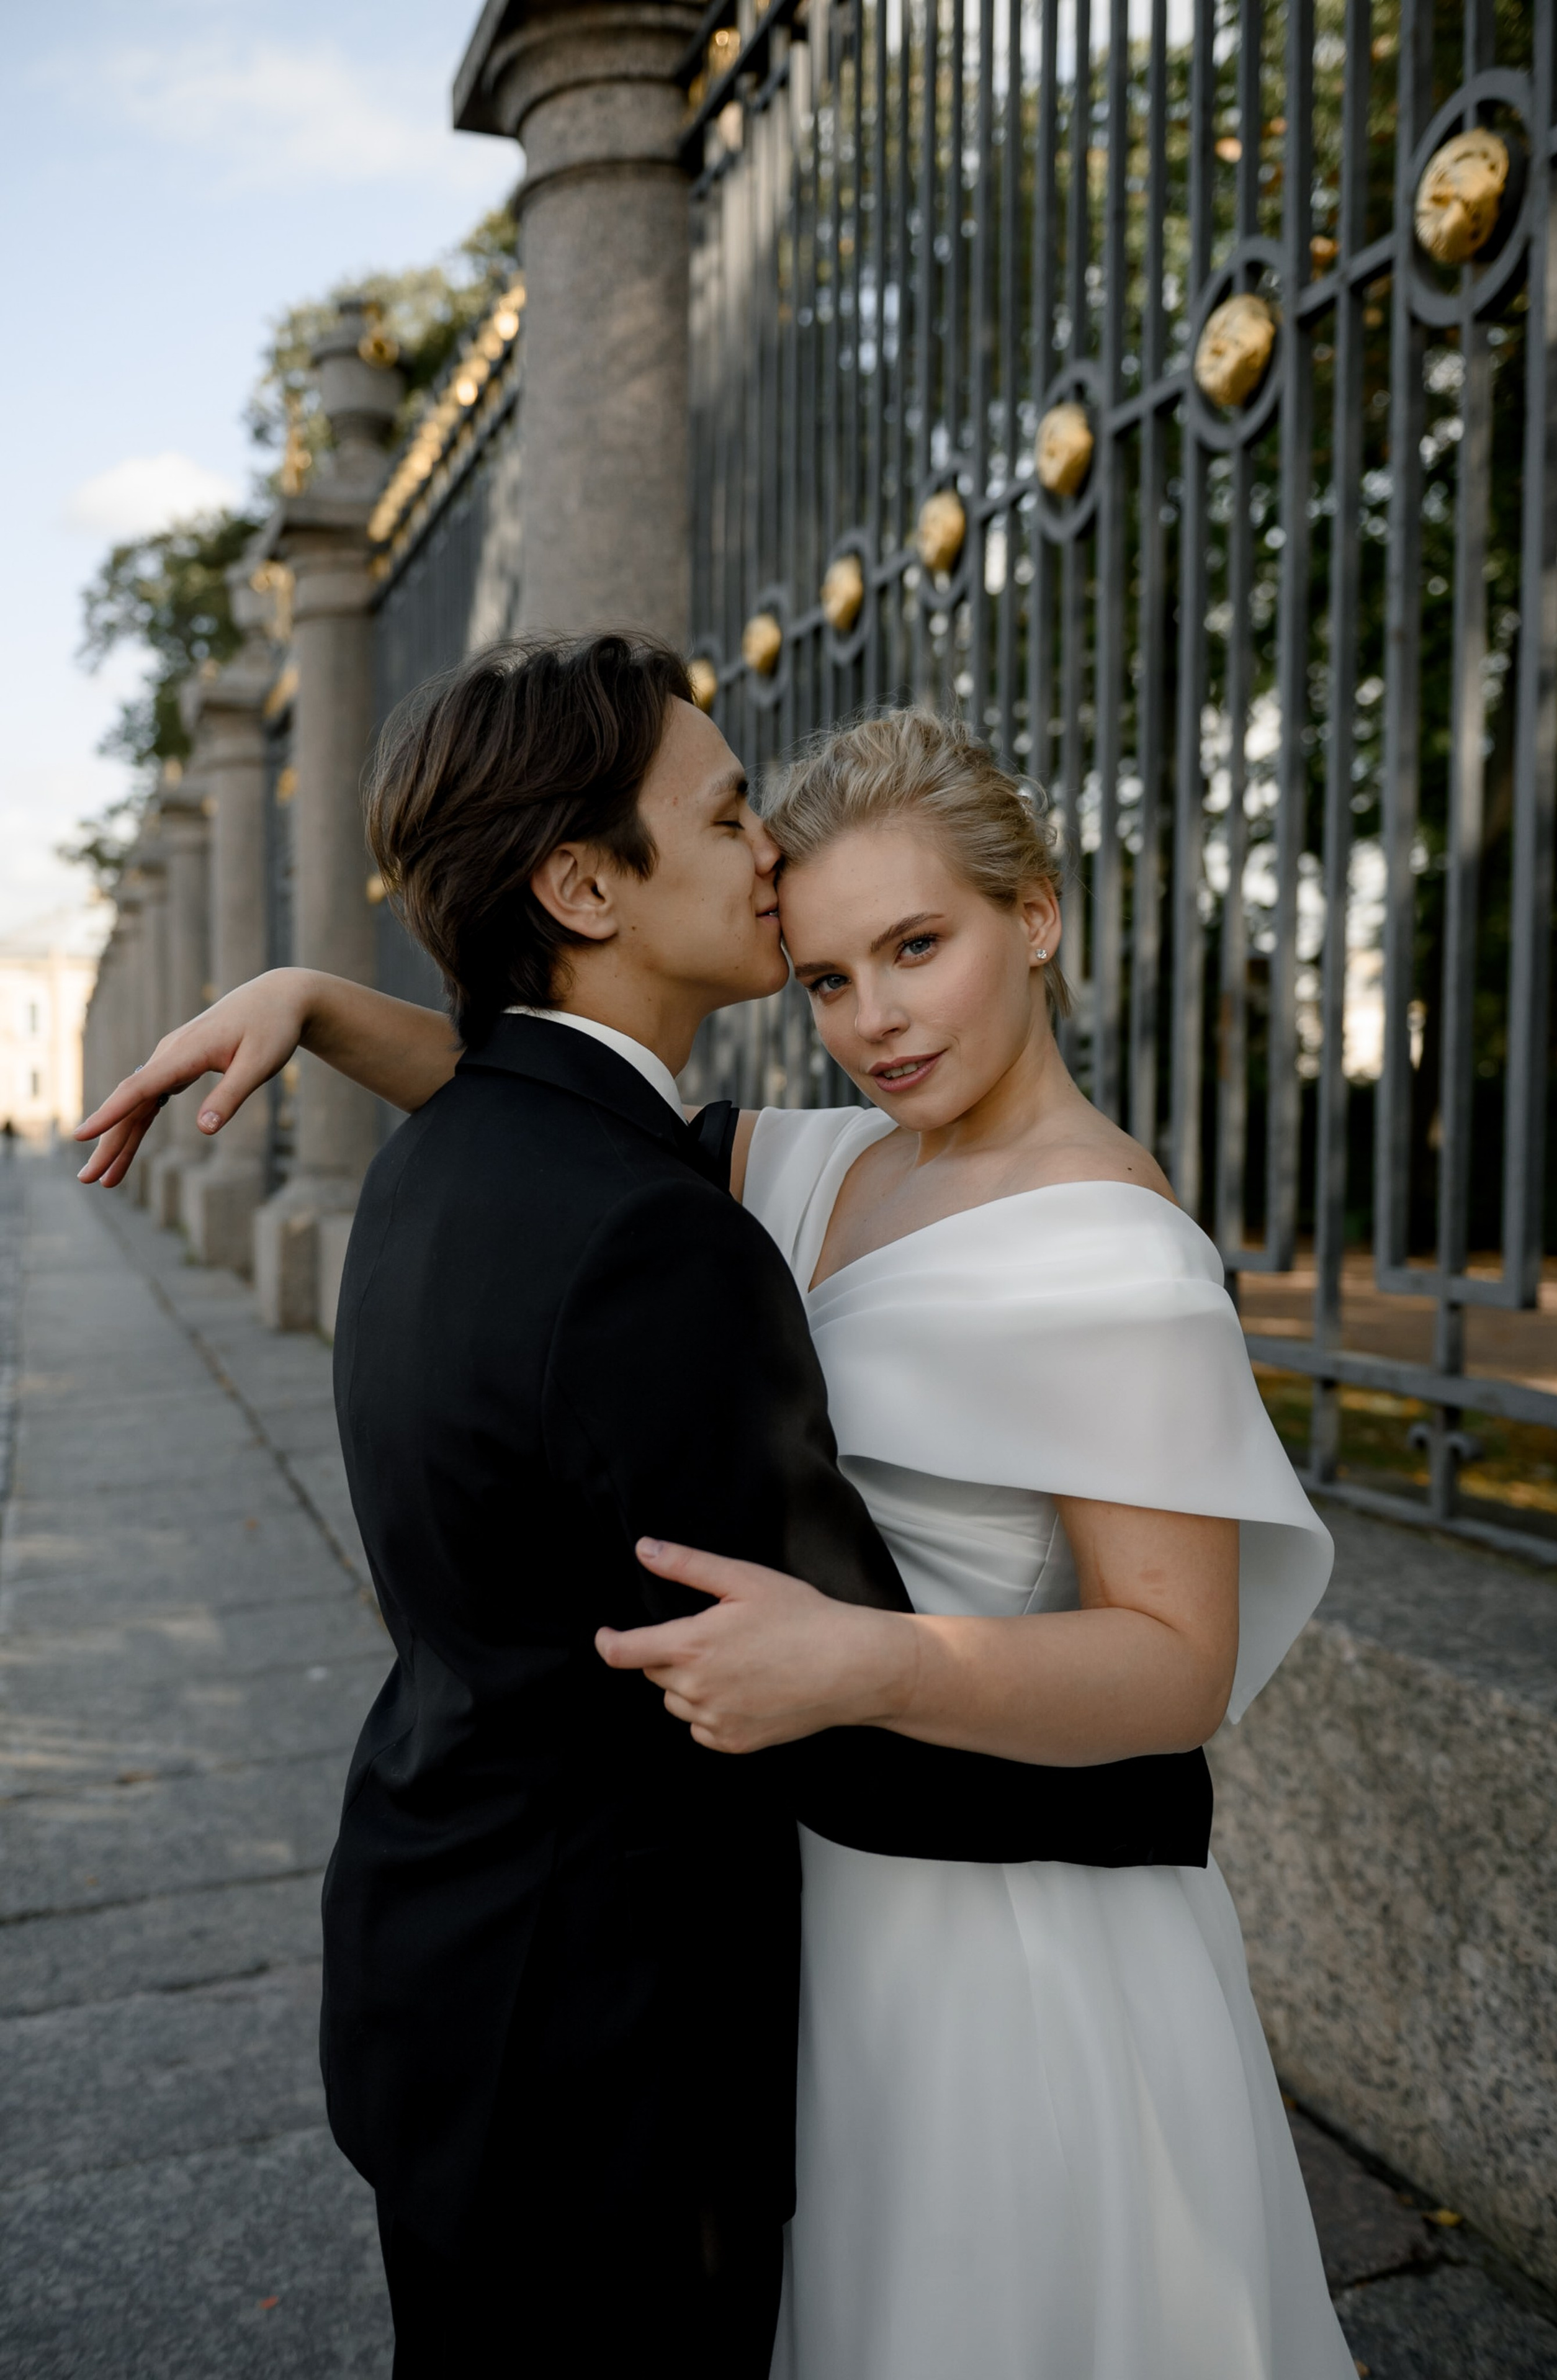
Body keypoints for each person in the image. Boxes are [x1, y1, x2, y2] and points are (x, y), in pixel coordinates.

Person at [77, 639, 1215, 2380]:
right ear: (587, 882)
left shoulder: (457, 1161)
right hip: (615, 2054)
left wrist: (311, 996)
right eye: (732, 813)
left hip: (463, 1971)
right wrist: (1156, 1803)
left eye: (914, 945)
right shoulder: (685, 1225)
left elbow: (515, 1087)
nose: (767, 862)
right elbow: (808, 1697)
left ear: (1037, 917)